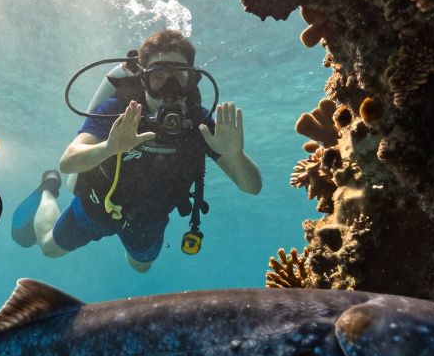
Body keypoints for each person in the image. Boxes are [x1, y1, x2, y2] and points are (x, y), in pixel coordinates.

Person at [16, 29, 262, 272]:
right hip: (97, 208)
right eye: (158, 76)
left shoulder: (200, 124)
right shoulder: (117, 111)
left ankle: (129, 244)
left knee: (141, 267)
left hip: (148, 222)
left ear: (192, 79)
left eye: (179, 76)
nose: (170, 88)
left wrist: (236, 156)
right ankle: (48, 189)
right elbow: (67, 162)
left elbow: (252, 187)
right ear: (144, 79)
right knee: (48, 247)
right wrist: (108, 148)